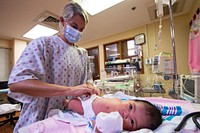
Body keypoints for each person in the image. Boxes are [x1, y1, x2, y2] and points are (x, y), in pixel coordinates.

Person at [7, 2, 100, 133]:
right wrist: (69, 90)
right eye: (74, 26)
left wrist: (91, 89)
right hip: (38, 120)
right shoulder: (43, 45)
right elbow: (17, 83)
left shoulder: (82, 55)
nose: (78, 32)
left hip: (68, 122)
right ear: (62, 21)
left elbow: (85, 85)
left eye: (81, 29)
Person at [63, 94, 162, 132]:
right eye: (131, 107)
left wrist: (97, 126)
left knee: (74, 104)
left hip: (87, 109)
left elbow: (99, 126)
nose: (126, 114)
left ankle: (67, 104)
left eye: (132, 122)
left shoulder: (114, 122)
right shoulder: (121, 100)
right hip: (95, 98)